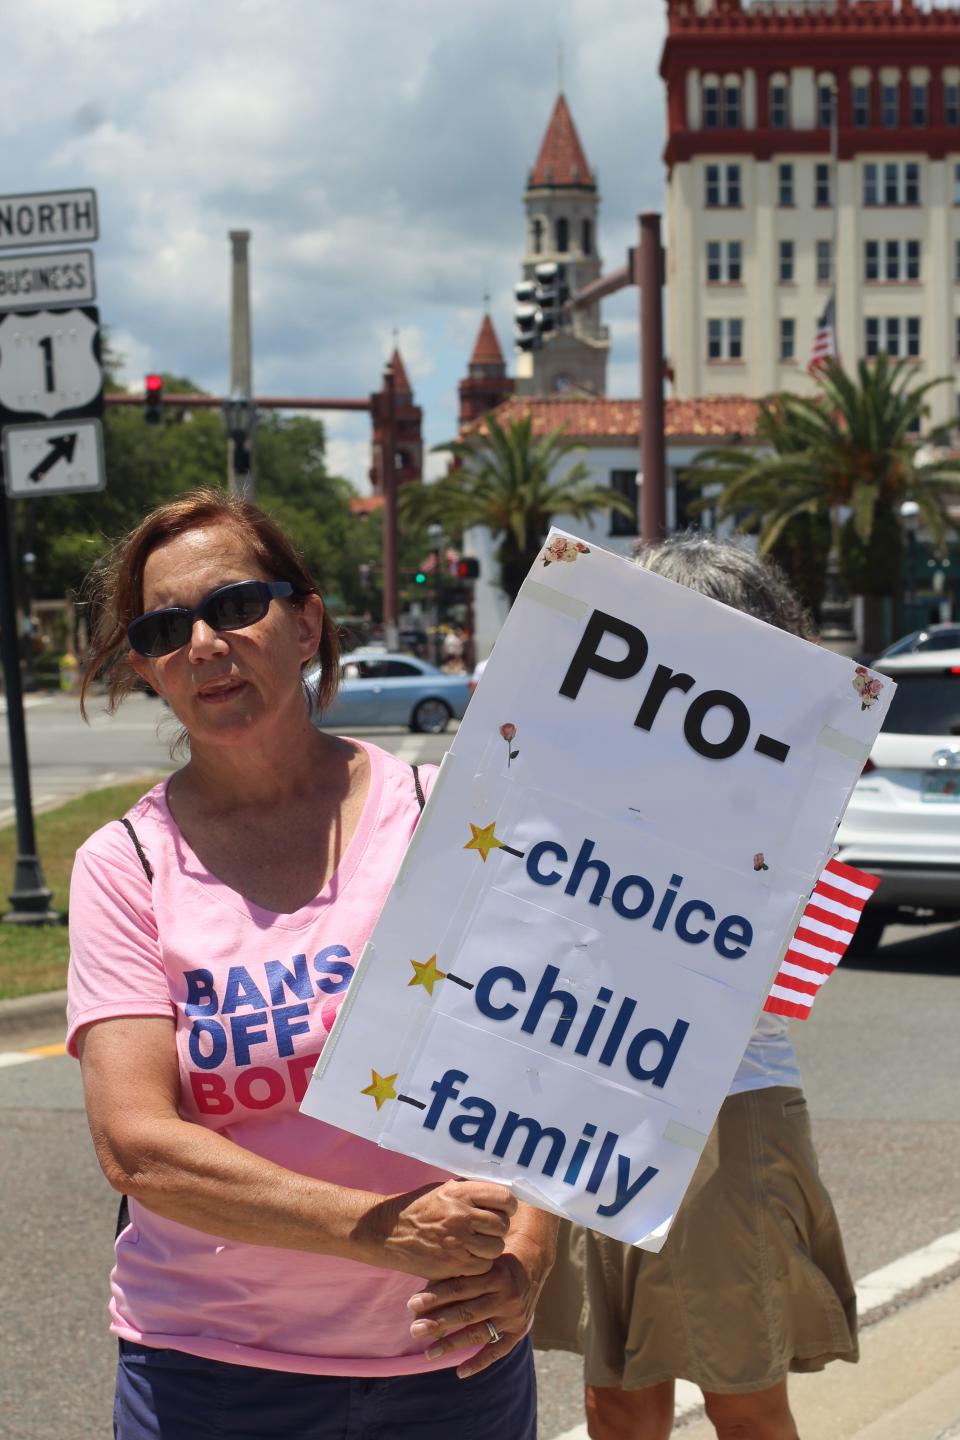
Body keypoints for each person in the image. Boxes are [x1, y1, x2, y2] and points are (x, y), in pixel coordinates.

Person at [67, 489, 557, 1440]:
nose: (205, 642)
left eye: (237, 605)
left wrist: (527, 1255)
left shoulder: (438, 814)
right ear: (148, 669)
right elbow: (137, 1145)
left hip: (449, 1367)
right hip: (210, 1379)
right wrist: (378, 1228)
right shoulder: (124, 865)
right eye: (168, 627)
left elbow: (541, 1061)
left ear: (306, 623)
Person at [533, 533, 858, 1440]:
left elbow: (775, 964)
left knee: (743, 1398)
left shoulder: (786, 782)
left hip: (724, 1109)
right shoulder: (589, 765)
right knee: (615, 1400)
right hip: (589, 1099)